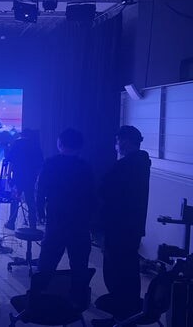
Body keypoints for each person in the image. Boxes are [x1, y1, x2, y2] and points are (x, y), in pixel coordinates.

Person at [93, 126, 151, 326]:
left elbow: (104, 190)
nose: (115, 146)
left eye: (117, 141)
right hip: (131, 228)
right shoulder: (141, 163)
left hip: (117, 229)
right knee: (129, 272)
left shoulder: (125, 166)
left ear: (124, 142)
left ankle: (121, 317)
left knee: (116, 274)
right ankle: (126, 315)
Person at [37, 129, 95, 304]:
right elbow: (92, 196)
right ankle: (78, 301)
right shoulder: (86, 167)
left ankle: (40, 298)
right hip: (80, 224)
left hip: (56, 220)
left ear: (60, 144)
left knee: (47, 261)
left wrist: (40, 211)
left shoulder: (50, 163)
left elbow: (40, 190)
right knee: (79, 264)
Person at [4, 129, 43, 230]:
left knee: (15, 200)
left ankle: (11, 222)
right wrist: (36, 178)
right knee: (30, 201)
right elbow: (40, 165)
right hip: (30, 178)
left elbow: (10, 160)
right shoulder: (35, 145)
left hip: (18, 177)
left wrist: (8, 175)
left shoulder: (17, 144)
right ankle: (33, 225)